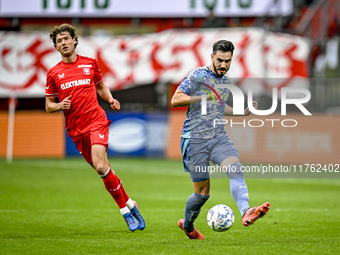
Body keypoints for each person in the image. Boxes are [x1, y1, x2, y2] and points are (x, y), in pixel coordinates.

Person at [45, 23, 145, 232]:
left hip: (96, 120)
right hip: (76, 128)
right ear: (56, 46)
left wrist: (110, 99)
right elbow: (48, 106)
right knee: (104, 170)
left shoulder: (90, 64)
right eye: (59, 41)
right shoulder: (54, 73)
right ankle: (130, 203)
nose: (63, 43)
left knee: (101, 166)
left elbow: (100, 85)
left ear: (74, 40)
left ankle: (125, 212)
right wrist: (59, 106)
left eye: (66, 38)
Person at [171, 40, 270, 240]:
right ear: (211, 57)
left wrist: (242, 113)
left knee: (236, 169)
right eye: (220, 60)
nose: (223, 65)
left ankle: (246, 212)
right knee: (202, 194)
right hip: (195, 139)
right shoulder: (197, 75)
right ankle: (188, 225)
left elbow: (219, 106)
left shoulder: (225, 82)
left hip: (217, 137)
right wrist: (202, 98)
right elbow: (176, 100)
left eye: (227, 61)